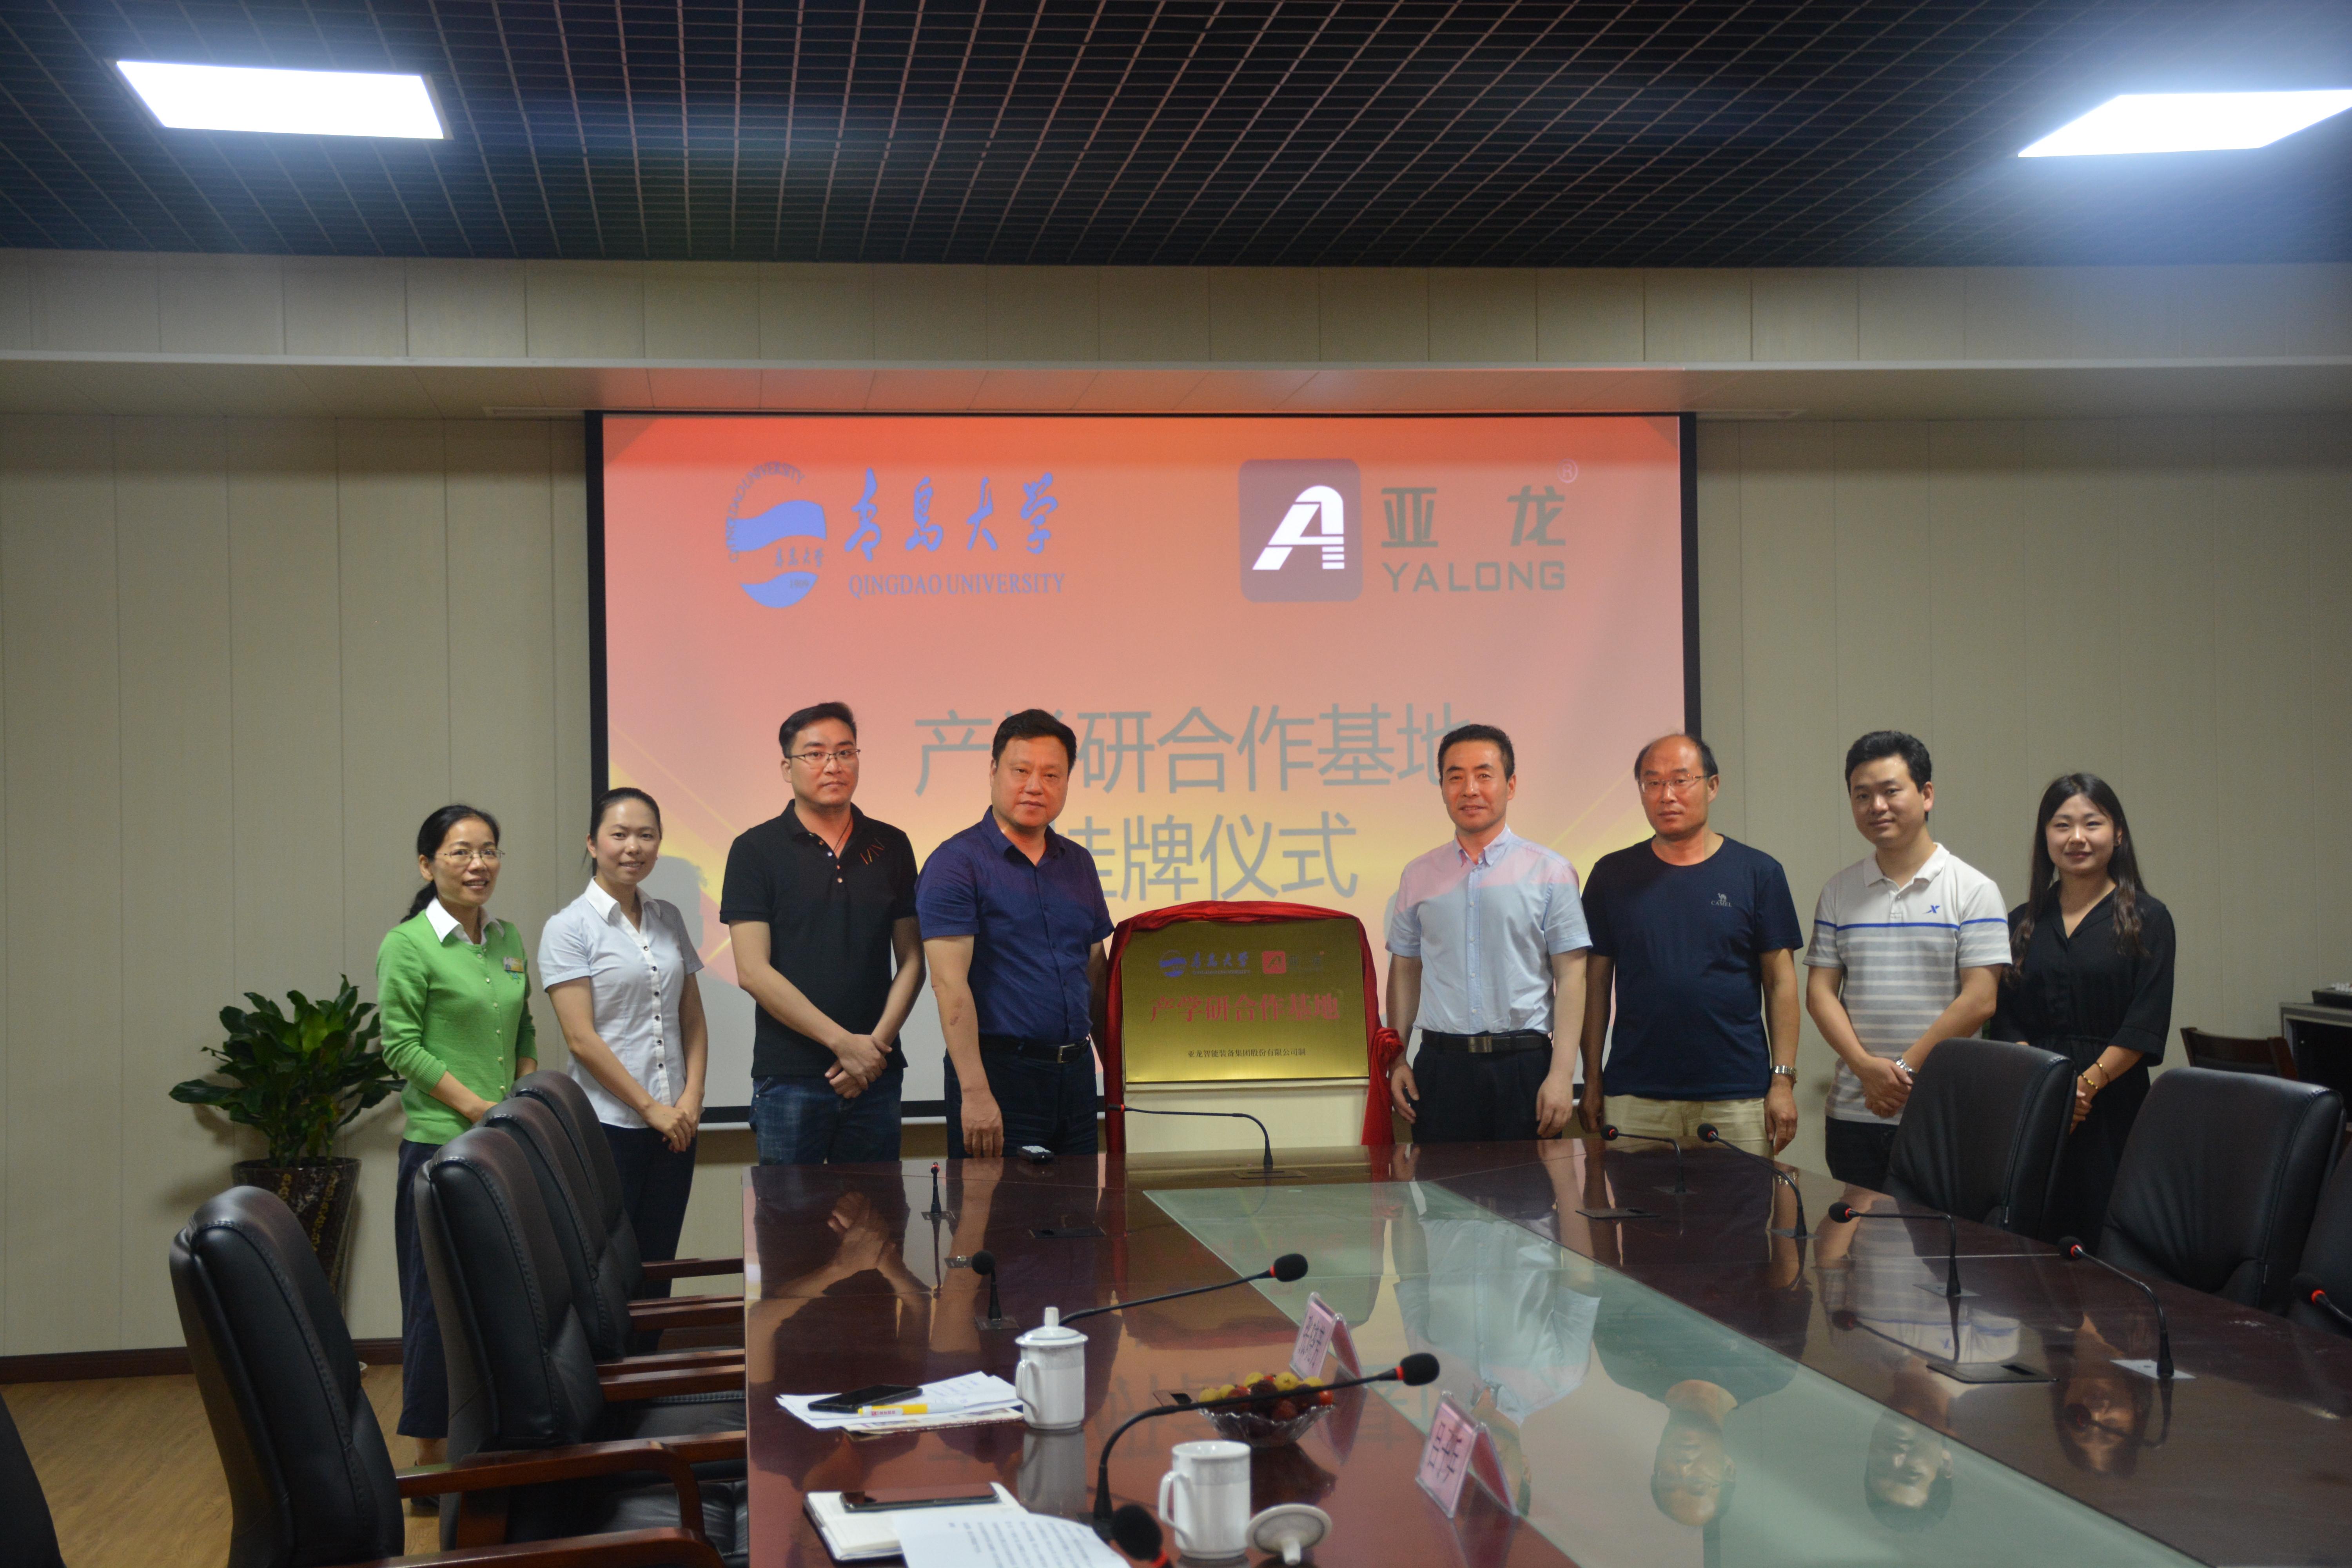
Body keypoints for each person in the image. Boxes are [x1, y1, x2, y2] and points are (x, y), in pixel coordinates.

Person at [377, 804, 536, 1474]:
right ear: (427, 864)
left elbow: (525, 1030)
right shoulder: (408, 944)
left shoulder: (507, 938)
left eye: (489, 850)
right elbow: (400, 1047)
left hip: (501, 1144)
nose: (479, 865)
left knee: (503, 1296)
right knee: (433, 1303)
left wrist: (518, 1102)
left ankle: (498, 1438)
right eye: (461, 852)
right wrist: (478, 1109)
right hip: (439, 1149)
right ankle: (431, 1454)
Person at [1578, 734, 1804, 1154]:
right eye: (1653, 783)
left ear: (1712, 786)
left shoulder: (1758, 873)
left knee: (1743, 1198)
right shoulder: (1611, 875)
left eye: (1681, 780)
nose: (1667, 795)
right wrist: (1592, 1080)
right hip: (1635, 1094)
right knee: (1635, 1198)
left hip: (1737, 1094)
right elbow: (1595, 987)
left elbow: (1781, 984)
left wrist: (1782, 1081)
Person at [722, 701, 924, 1165]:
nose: (833, 765)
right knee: (789, 1211)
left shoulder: (892, 844)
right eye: (815, 754)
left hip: (875, 1075)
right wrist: (843, 1044)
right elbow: (753, 971)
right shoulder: (755, 850)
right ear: (787, 768)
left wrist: (871, 1051)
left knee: (878, 1210)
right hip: (790, 1077)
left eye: (845, 752)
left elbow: (912, 960)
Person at [1806, 731, 2007, 1192]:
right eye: (1862, 795)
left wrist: (1901, 1072)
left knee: (1935, 1237)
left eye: (1890, 791)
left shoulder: (1974, 889)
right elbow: (1820, 993)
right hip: (1854, 1111)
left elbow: (1981, 1000)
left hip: (1942, 1114)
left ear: (1926, 794)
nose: (1876, 806)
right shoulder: (1839, 891)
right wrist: (1865, 1068)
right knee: (1857, 1235)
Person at [918, 709, 1113, 1158]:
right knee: (998, 1204)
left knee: (1083, 1202)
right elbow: (949, 984)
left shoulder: (1078, 862)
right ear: (993, 771)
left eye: (1051, 774)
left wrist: (1115, 1076)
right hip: (1000, 1076)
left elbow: (1094, 970)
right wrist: (975, 1092)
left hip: (1076, 1076)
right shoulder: (956, 863)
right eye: (1021, 771)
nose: (1035, 786)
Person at [1989, 773, 2175, 1243]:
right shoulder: (2021, 922)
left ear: (2118, 833)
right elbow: (2004, 1017)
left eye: (2092, 823)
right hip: (2033, 1102)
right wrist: (2045, 1087)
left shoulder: (2149, 919)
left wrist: (2084, 1086)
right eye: (2062, 825)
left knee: (2103, 1237)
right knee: (2028, 1236)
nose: (2077, 837)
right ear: (2045, 837)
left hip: (2113, 1102)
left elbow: (2145, 1022)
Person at [539, 786, 710, 1290]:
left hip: (676, 1125)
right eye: (619, 835)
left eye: (646, 835)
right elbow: (581, 1038)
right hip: (608, 1127)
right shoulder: (568, 927)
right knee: (608, 1273)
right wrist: (649, 1108)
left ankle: (652, 1346)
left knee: (659, 1267)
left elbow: (692, 1019)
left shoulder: (668, 917)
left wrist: (691, 1098)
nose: (633, 847)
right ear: (593, 844)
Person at [1385, 724, 1588, 1143]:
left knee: (1530, 1187)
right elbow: (1405, 969)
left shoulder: (1550, 871)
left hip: (1524, 1067)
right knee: (1442, 1186)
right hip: (1441, 1069)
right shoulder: (1418, 875)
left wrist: (1562, 1074)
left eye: (1484, 775)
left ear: (1510, 786)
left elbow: (1572, 977)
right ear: (1442, 788)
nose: (1470, 790)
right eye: (1455, 777)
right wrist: (1398, 1058)